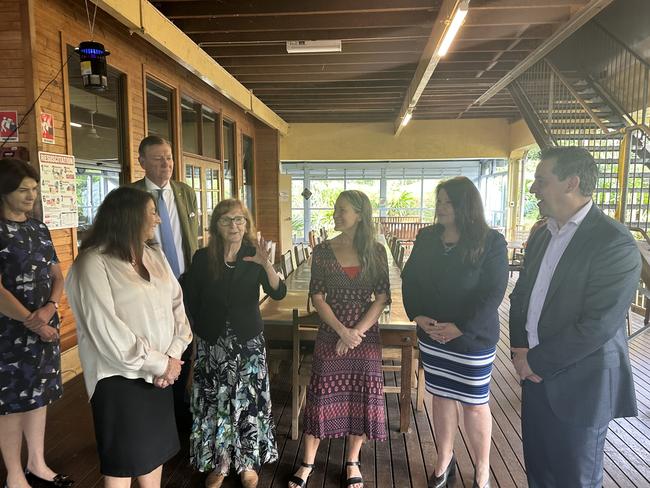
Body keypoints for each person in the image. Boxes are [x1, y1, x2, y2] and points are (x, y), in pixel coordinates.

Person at [509, 146, 640, 488]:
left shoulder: (614, 242)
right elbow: (521, 296)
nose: (534, 188)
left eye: (541, 180)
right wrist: (520, 350)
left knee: (574, 481)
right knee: (539, 474)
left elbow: (598, 325)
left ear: (572, 183)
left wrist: (535, 361)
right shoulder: (542, 234)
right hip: (534, 376)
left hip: (581, 385)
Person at [65, 187, 192, 488]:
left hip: (161, 376)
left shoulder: (153, 255)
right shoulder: (91, 263)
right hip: (119, 380)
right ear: (127, 217)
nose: (158, 220)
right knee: (122, 465)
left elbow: (177, 305)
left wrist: (173, 357)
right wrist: (162, 364)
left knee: (154, 456)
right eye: (151, 213)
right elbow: (106, 331)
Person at [401, 177, 508, 488]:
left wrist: (460, 327)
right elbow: (410, 279)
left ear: (466, 205)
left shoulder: (491, 242)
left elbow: (494, 292)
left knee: (474, 403)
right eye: (439, 202)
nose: (440, 208)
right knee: (442, 398)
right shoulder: (427, 237)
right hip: (433, 335)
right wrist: (418, 315)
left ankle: (482, 469)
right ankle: (444, 460)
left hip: (472, 339)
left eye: (448, 202)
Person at [289, 190, 390, 488]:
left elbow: (382, 297)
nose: (335, 213)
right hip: (330, 333)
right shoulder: (322, 250)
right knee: (320, 395)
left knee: (360, 397)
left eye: (341, 209)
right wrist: (342, 331)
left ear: (359, 214)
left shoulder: (376, 251)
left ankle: (352, 461)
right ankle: (307, 463)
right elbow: (317, 296)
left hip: (365, 337)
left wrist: (355, 332)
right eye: (335, 208)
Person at [182, 199, 286, 488]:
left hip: (247, 342)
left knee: (247, 402)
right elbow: (191, 297)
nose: (234, 225)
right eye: (227, 220)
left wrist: (267, 265)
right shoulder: (203, 258)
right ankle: (220, 463)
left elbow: (278, 293)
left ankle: (247, 463)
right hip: (212, 342)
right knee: (216, 403)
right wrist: (200, 330)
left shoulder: (254, 256)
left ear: (247, 224)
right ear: (216, 225)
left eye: (239, 220)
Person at [0, 158, 73, 488]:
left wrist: (50, 307)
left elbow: (57, 274)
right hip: (9, 333)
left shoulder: (38, 228)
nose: (32, 196)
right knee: (11, 404)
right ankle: (14, 473)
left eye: (34, 189)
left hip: (45, 326)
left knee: (39, 397)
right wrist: (35, 321)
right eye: (23, 190)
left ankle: (37, 462)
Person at [131, 135, 199, 429]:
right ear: (142, 161)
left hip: (186, 281)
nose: (166, 164)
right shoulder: (130, 196)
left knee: (184, 342)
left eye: (169, 158)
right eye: (158, 158)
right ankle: (157, 410)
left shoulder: (184, 193)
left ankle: (180, 408)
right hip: (149, 286)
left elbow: (190, 238)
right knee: (155, 344)